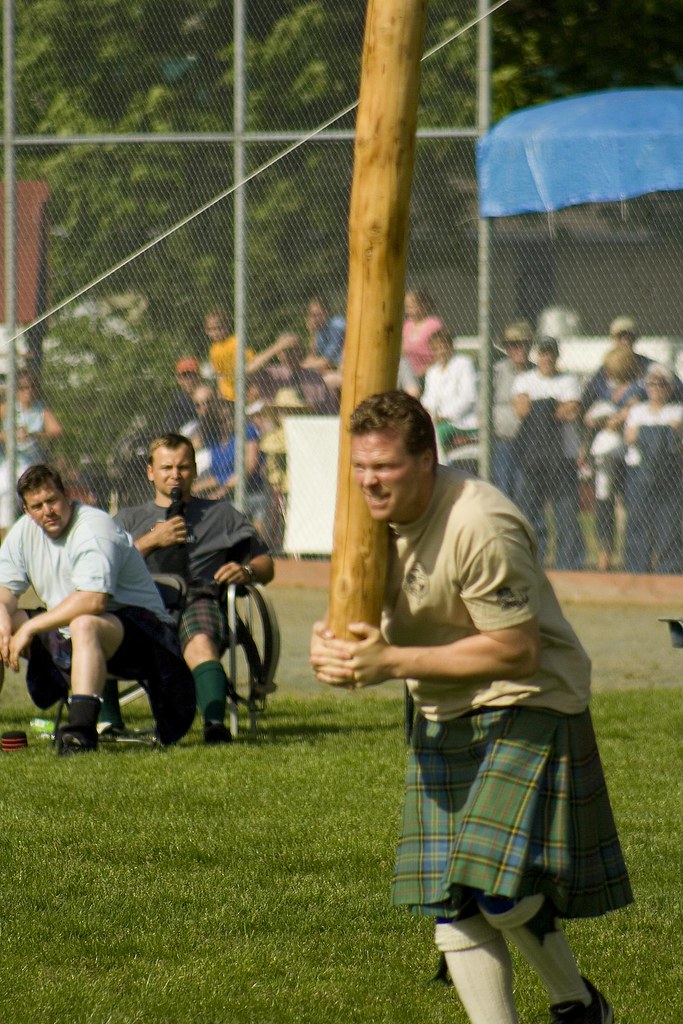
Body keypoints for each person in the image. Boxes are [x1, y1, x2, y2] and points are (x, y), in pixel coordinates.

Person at [310, 391, 632, 1024]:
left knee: (498, 890)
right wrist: (336, 646)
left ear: (427, 459)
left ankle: (578, 1005)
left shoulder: (480, 523)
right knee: (450, 902)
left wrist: (391, 663)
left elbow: (516, 651)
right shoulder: (364, 518)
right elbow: (359, 615)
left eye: (386, 467)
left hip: (530, 700)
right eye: (360, 466)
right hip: (441, 708)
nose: (370, 481)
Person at [0, 463, 195, 754]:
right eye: (37, 506)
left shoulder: (93, 526)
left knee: (84, 624)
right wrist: (4, 623)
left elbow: (94, 601)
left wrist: (29, 627)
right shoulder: (24, 531)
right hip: (73, 632)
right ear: (27, 510)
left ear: (67, 496)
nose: (47, 511)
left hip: (146, 636)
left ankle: (80, 733)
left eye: (52, 500)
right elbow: (4, 591)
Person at [115, 433, 274, 744]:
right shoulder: (127, 519)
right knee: (101, 624)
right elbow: (104, 569)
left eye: (183, 467)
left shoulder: (222, 515)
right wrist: (149, 541)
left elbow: (265, 564)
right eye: (167, 467)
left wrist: (246, 570)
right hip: (142, 606)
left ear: (194, 469)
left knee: (200, 638)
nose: (176, 475)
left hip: (198, 598)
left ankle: (214, 724)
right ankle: (106, 725)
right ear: (151, 471)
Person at [511, 337, 586, 570]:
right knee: (529, 511)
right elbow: (521, 409)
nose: (547, 358)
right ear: (536, 356)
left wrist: (540, 407)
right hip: (532, 456)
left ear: (557, 355)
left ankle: (568, 565)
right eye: (543, 353)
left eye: (551, 353)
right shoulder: (524, 379)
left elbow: (571, 410)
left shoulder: (569, 380)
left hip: (563, 455)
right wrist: (552, 407)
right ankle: (531, 563)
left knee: (566, 513)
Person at [583, 347, 645, 572]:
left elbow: (633, 412)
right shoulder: (605, 391)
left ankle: (631, 554)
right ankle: (604, 554)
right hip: (604, 454)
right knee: (604, 502)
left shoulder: (637, 391)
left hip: (626, 455)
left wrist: (619, 417)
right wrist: (605, 419)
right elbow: (590, 418)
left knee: (628, 504)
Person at [622, 363, 683, 574]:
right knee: (638, 521)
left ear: (670, 388)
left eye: (662, 383)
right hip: (640, 473)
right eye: (651, 383)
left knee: (669, 524)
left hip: (670, 474)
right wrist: (663, 432)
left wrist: (644, 433)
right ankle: (637, 570)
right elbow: (629, 436)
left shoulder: (677, 410)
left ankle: (669, 569)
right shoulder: (637, 410)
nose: (655, 387)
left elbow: (676, 435)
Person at [0, 370, 63, 530]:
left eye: (31, 387)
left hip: (30, 464)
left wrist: (33, 434)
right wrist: (10, 436)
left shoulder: (40, 409)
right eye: (23, 387)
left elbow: (56, 430)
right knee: (4, 488)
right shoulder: (9, 408)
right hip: (10, 461)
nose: (27, 391)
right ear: (16, 390)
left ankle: (14, 529)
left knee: (14, 492)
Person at [420, 329, 478, 462]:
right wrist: (427, 412)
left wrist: (445, 415)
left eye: (443, 346)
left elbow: (468, 397)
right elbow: (427, 398)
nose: (440, 351)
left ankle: (441, 469)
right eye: (435, 348)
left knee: (437, 433)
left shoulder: (464, 363)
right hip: (435, 419)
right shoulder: (432, 371)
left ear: (450, 346)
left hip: (461, 420)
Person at [492, 321, 535, 500]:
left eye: (523, 344)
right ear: (507, 348)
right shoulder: (497, 371)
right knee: (502, 489)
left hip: (530, 444)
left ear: (530, 345)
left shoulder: (536, 372)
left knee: (524, 491)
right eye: (513, 345)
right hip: (502, 442)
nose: (519, 349)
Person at [398, 288, 445, 395]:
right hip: (408, 370)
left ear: (423, 305)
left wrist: (423, 371)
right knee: (402, 363)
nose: (407, 310)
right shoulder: (407, 325)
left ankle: (413, 395)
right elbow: (403, 351)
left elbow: (441, 352)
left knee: (403, 364)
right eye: (406, 307)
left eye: (411, 306)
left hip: (427, 371)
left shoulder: (434, 325)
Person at [304, 295, 345, 371]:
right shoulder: (319, 331)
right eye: (311, 315)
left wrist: (303, 367)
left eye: (316, 315)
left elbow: (326, 361)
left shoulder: (336, 325)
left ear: (326, 312)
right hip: (330, 367)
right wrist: (312, 333)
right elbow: (311, 357)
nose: (313, 319)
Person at [165, 356, 203, 434]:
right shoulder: (177, 407)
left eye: (191, 375)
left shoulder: (210, 398)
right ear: (179, 380)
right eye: (184, 376)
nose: (189, 380)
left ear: (198, 377)